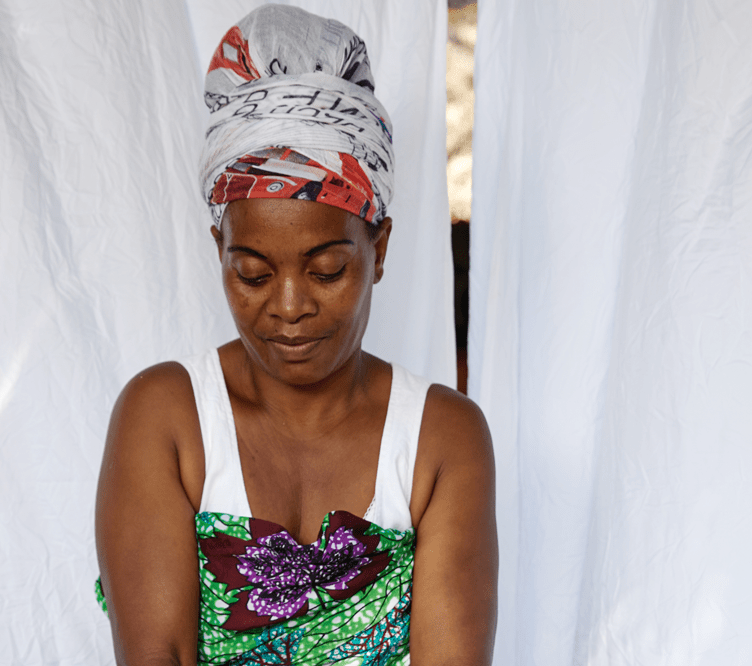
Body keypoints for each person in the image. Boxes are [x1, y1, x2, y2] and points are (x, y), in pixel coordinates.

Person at [95, 6, 497, 665]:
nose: (289, 308)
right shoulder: (166, 418)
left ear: (379, 248)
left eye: (327, 269)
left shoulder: (442, 437)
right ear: (219, 250)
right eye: (252, 273)